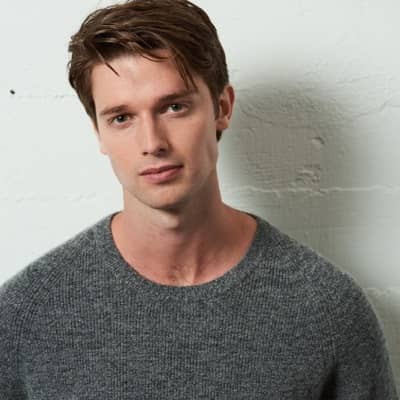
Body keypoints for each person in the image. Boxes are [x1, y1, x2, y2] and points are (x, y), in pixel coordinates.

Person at [0, 0, 398, 398]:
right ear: (98, 132)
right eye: (121, 117)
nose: (152, 143)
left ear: (222, 108)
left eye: (174, 107)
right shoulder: (27, 313)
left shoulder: (327, 308)